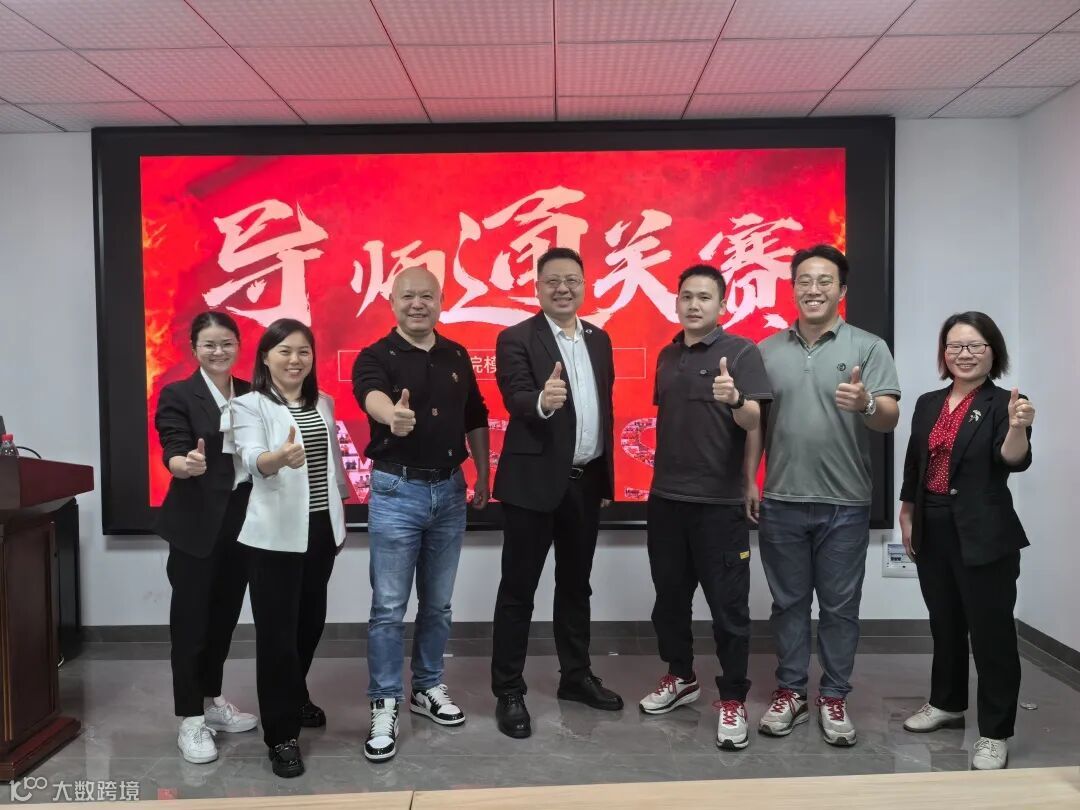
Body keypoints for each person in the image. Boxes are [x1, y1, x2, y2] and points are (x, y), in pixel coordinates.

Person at [748, 244, 900, 746]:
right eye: (804, 281)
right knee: (788, 605)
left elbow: (888, 418)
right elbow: (755, 424)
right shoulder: (766, 350)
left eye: (825, 281)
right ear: (793, 288)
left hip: (846, 503)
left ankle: (833, 696)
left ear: (842, 289)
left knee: (839, 608)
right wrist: (750, 480)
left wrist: (867, 403)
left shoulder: (869, 347)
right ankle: (791, 692)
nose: (813, 289)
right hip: (782, 499)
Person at [352, 267, 490, 762]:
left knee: (438, 604)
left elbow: (475, 415)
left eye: (426, 296)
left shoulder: (457, 355)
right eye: (408, 296)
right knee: (389, 607)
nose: (417, 303)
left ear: (441, 300)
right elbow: (370, 395)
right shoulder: (375, 356)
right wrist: (391, 415)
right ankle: (385, 700)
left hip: (450, 490)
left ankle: (427, 687)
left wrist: (484, 473)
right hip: (396, 490)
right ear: (391, 302)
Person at [638, 265, 773, 751]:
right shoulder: (667, 355)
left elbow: (754, 419)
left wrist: (735, 398)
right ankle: (681, 676)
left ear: (722, 305)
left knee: (728, 609)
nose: (694, 305)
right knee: (669, 601)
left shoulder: (742, 352)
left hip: (719, 505)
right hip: (666, 500)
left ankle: (733, 697)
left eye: (705, 297)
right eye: (687, 296)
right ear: (677, 301)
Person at [490, 246, 622, 740]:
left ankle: (576, 675)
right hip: (532, 485)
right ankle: (509, 689)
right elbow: (515, 395)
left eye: (572, 280)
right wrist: (542, 401)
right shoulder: (516, 337)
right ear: (537, 287)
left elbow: (604, 410)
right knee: (518, 590)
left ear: (584, 286)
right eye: (552, 281)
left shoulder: (600, 339)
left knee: (575, 585)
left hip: (585, 485)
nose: (563, 288)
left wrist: (605, 478)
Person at [899, 311, 1034, 771]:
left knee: (991, 634)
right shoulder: (928, 402)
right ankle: (946, 702)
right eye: (955, 346)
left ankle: (995, 732)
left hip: (984, 532)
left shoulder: (1006, 403)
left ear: (993, 352)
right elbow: (915, 462)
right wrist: (907, 511)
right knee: (945, 623)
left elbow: (1012, 460)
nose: (964, 354)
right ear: (944, 353)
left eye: (975, 345)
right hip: (932, 525)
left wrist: (1018, 426)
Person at [232, 319, 350, 778]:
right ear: (265, 357)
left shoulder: (323, 402)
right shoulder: (249, 405)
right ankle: (281, 734)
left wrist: (339, 522)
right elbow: (250, 458)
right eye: (284, 351)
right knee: (277, 637)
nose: (295, 360)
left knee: (309, 625)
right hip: (274, 538)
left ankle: (294, 694)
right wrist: (275, 459)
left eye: (303, 351)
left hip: (319, 531)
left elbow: (334, 466)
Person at [154, 311, 257, 765]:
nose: (219, 351)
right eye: (209, 344)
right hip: (195, 524)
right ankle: (190, 719)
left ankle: (212, 702)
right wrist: (185, 465)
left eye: (227, 343)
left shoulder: (254, 394)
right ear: (194, 348)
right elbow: (173, 449)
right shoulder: (178, 394)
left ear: (238, 346)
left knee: (224, 619)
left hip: (244, 523)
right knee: (191, 623)